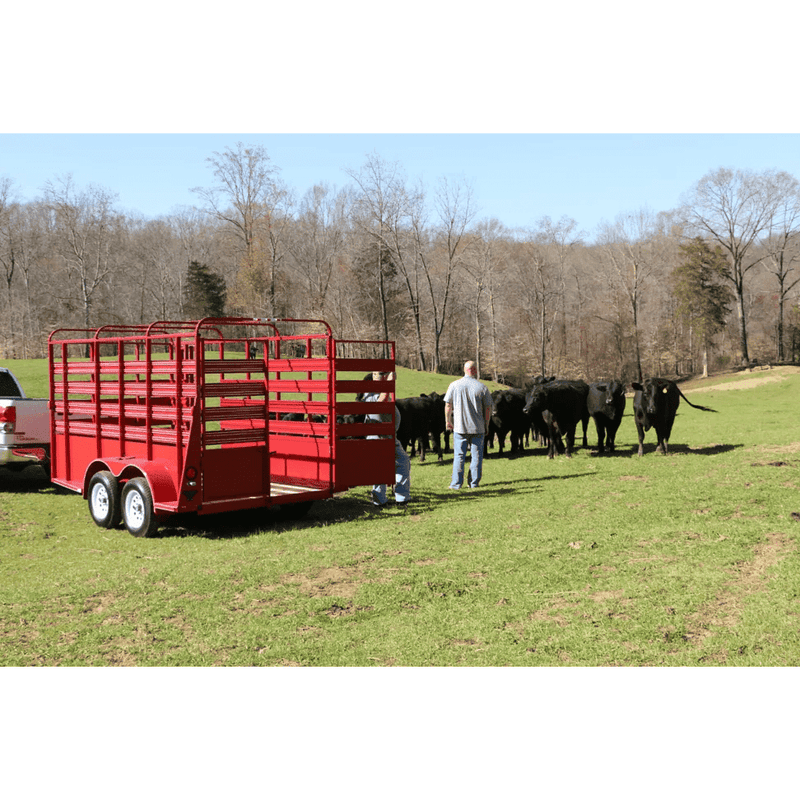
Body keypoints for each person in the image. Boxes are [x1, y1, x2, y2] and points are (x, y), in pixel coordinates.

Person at [363, 371, 411, 508]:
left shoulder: (377, 391)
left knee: (402, 461)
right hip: (379, 437)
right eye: (379, 374)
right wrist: (389, 383)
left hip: (388, 436)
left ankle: (398, 498)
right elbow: (381, 403)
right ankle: (382, 499)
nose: (382, 376)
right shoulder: (371, 393)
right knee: (384, 465)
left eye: (384, 374)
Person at [444, 361, 493, 490]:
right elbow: (488, 408)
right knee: (476, 456)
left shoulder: (454, 385)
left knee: (459, 456)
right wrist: (487, 424)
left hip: (460, 427)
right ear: (475, 370)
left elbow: (448, 405)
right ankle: (473, 483)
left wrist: (448, 421)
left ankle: (456, 484)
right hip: (478, 427)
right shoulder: (482, 387)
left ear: (464, 370)